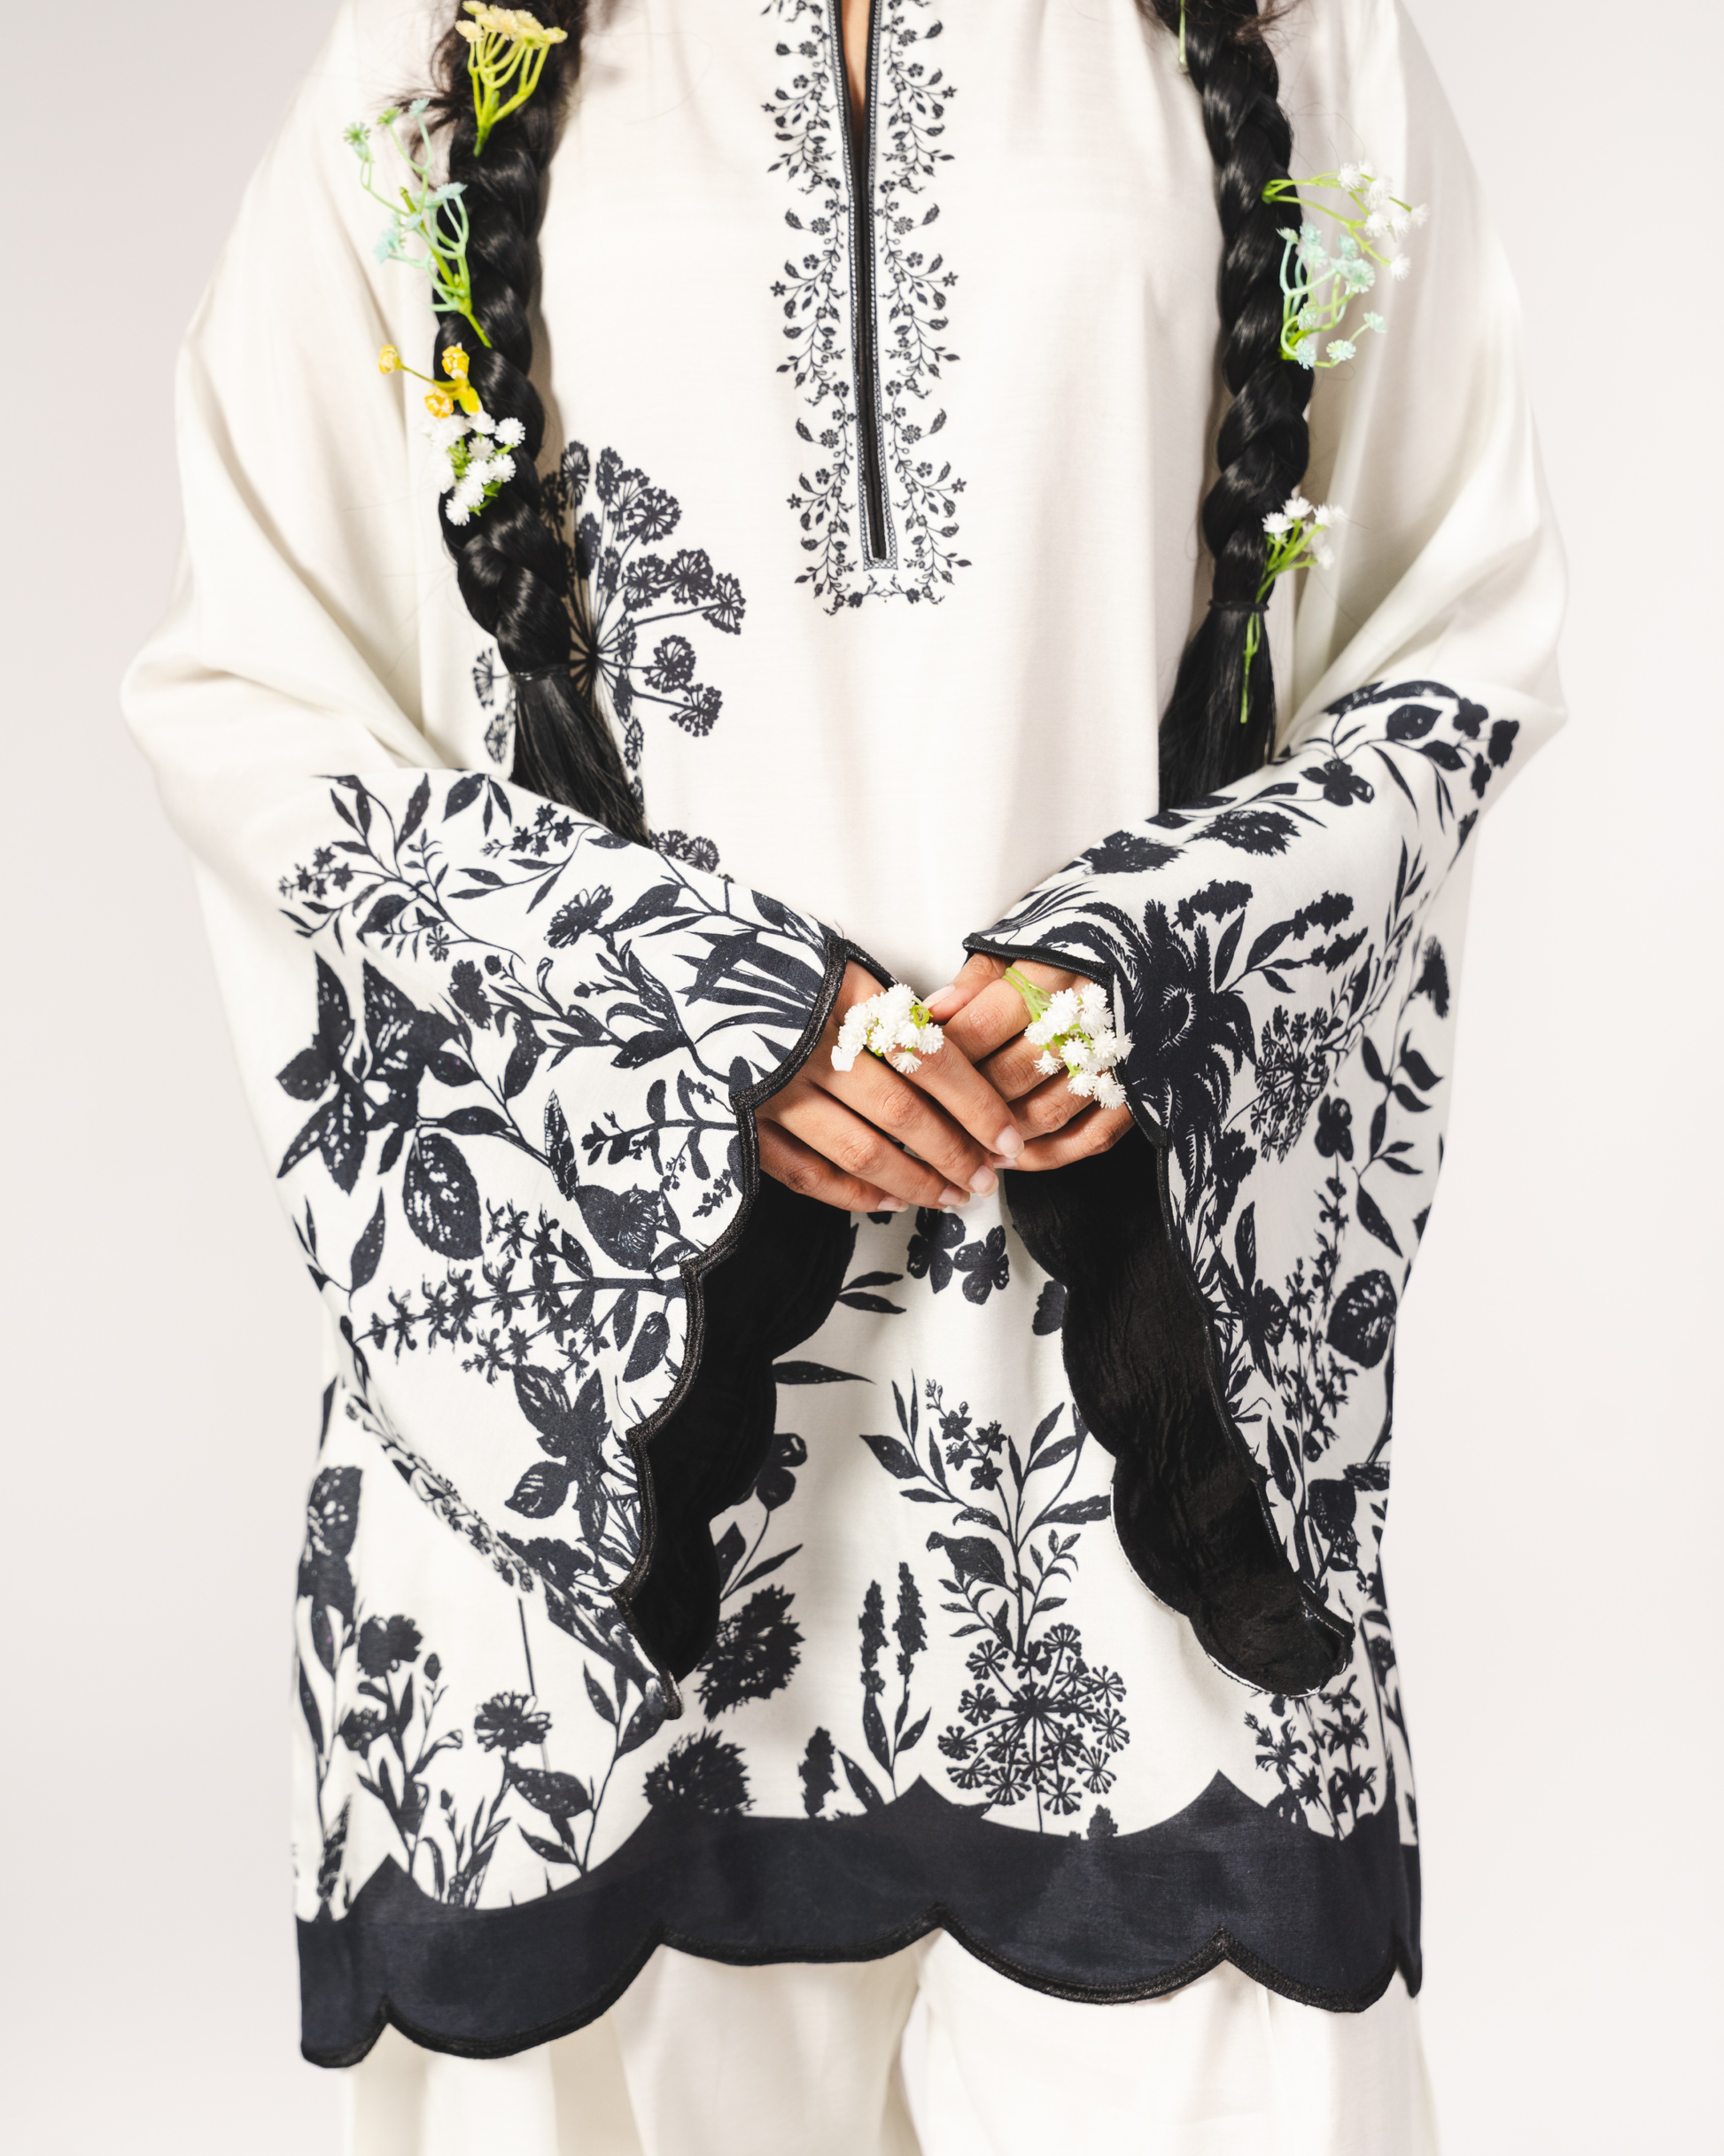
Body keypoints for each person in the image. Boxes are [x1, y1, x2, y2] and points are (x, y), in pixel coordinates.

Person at [123, 0, 1564, 2148]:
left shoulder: (1290, 30)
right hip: (609, 1479)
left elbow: (1454, 632)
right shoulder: (438, 51)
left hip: (1116, 1443)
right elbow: (255, 692)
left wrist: (1151, 964)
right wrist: (694, 1018)